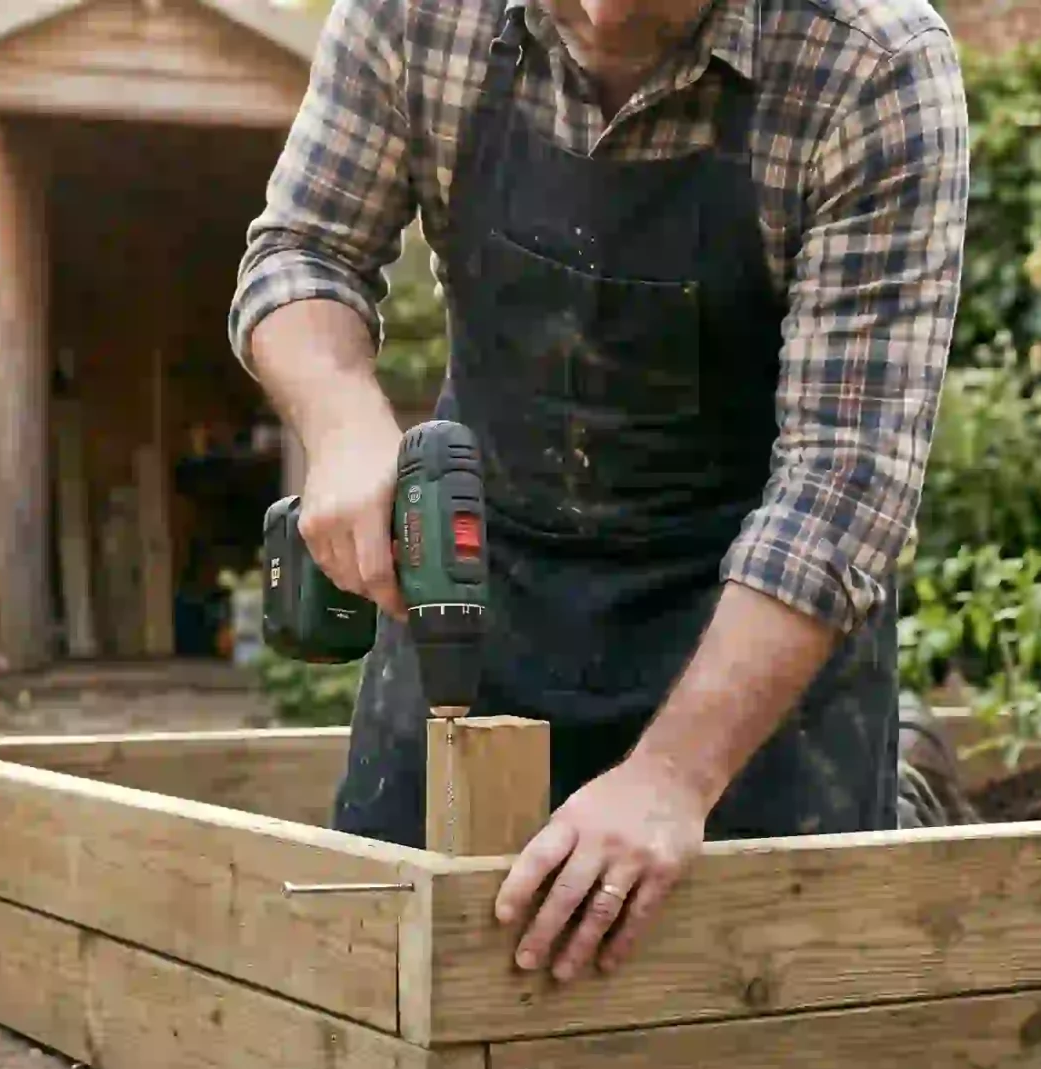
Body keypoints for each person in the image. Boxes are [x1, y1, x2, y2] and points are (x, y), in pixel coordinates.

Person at [230, 0, 970, 982]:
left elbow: (842, 487)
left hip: (745, 630)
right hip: (478, 590)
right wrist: (344, 426)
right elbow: (304, 250)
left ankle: (869, 796)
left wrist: (673, 777)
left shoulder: (871, 62)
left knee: (757, 1018)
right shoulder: (419, 14)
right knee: (393, 982)